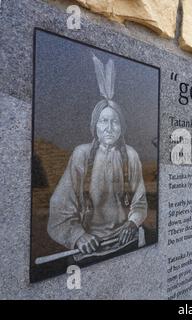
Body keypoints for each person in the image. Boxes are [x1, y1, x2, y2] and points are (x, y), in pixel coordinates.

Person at [47, 54, 147, 261]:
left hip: (125, 243)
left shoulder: (130, 155)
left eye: (115, 122)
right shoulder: (81, 154)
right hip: (89, 249)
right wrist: (78, 236)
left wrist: (132, 223)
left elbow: (140, 201)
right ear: (95, 126)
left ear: (122, 127)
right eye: (103, 121)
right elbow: (60, 206)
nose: (109, 128)